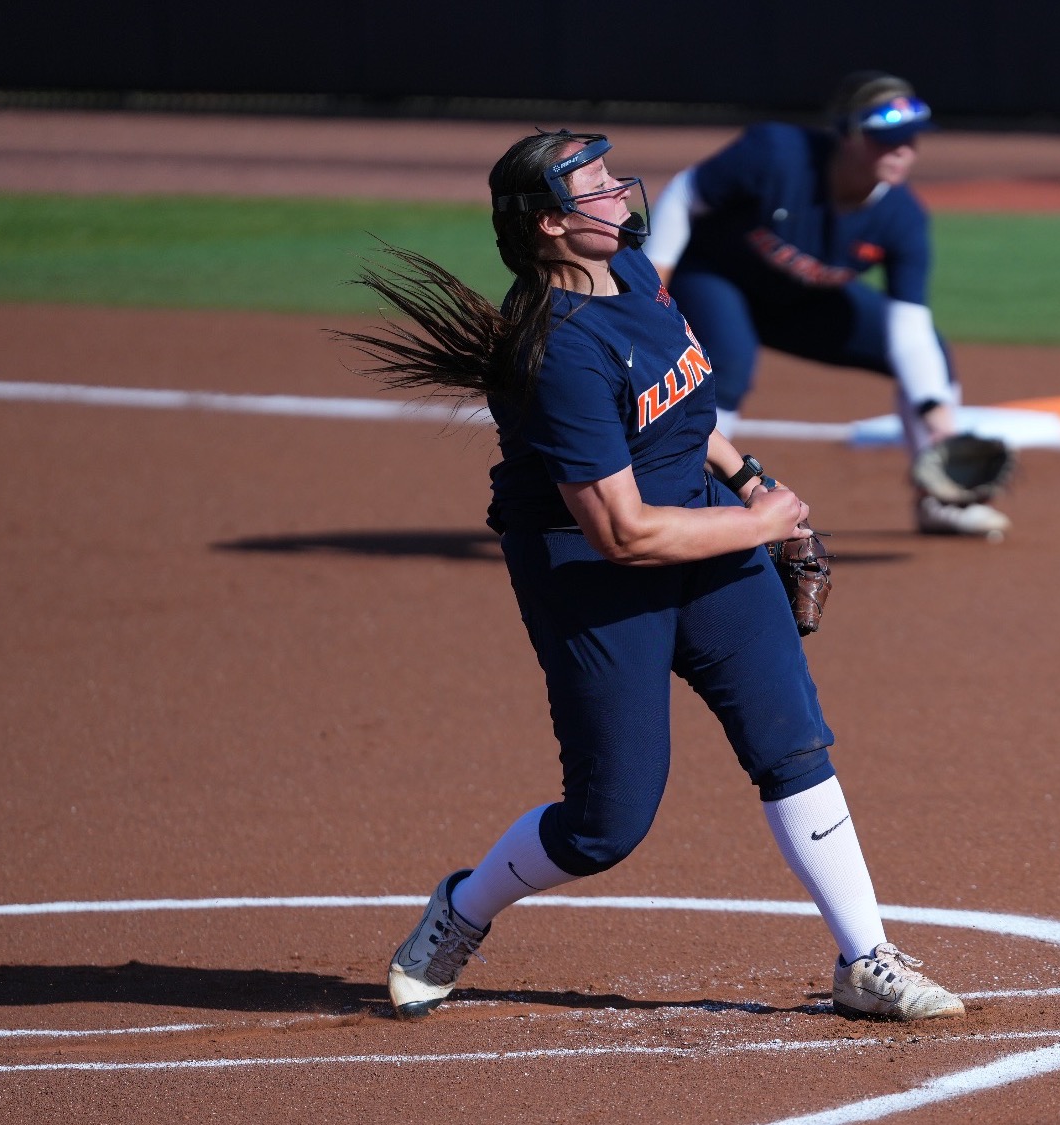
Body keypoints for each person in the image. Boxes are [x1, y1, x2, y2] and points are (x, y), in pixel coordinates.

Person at [336, 128, 965, 1023]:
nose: (620, 196)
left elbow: (687, 406)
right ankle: (463, 907)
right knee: (606, 825)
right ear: (551, 224)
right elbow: (622, 532)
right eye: (595, 188)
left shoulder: (632, 274)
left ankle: (866, 957)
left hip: (709, 536)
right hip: (592, 575)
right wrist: (757, 521)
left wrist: (749, 479)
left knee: (791, 742)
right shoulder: (556, 354)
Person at [643, 71, 1010, 538]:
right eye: (886, 140)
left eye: (911, 141)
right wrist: (654, 284)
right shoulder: (777, 153)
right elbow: (685, 193)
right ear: (849, 136)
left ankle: (939, 500)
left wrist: (940, 424)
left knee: (931, 351)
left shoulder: (902, 217)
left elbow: (909, 327)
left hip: (800, 303)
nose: (902, 151)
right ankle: (681, 504)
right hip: (717, 277)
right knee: (728, 367)